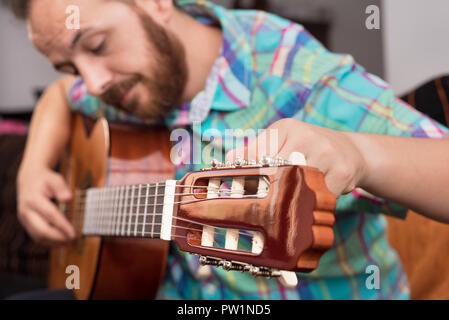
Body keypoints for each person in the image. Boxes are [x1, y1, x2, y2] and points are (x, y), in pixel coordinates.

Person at [9, 0, 449, 299]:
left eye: (96, 45)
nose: (95, 82)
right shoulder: (118, 84)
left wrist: (358, 154)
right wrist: (33, 168)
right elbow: (61, 96)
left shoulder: (299, 80)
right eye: (72, 65)